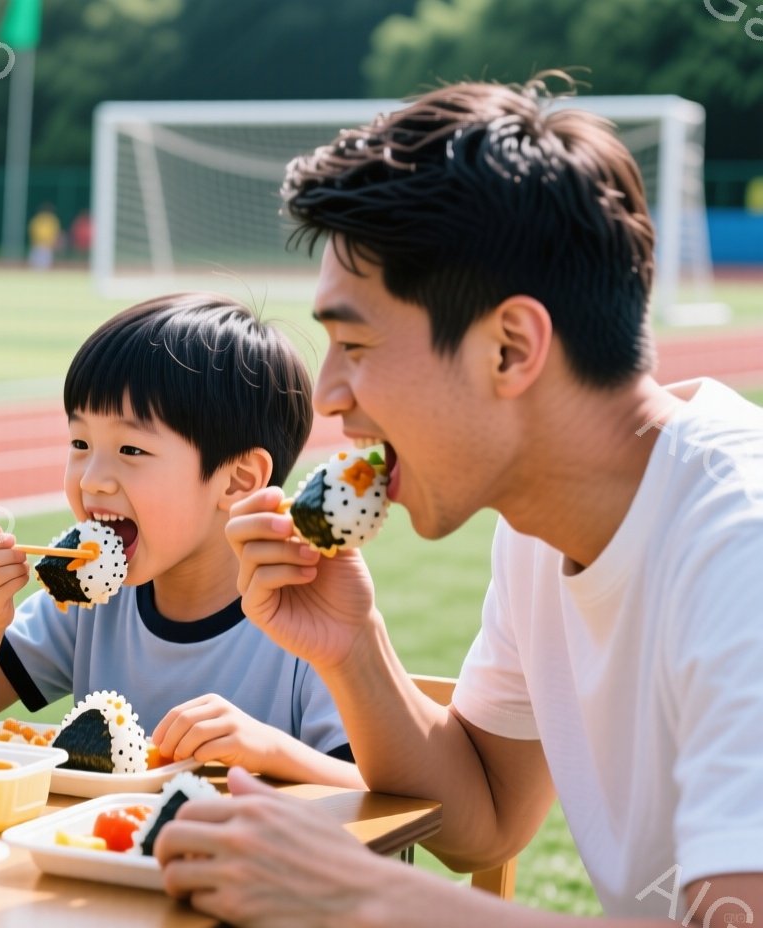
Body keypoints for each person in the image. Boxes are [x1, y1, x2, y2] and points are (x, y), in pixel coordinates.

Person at [167, 76, 763, 926]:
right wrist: (353, 649)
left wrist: (360, 894)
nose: (328, 394)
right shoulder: (539, 524)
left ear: (510, 349)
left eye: (355, 344)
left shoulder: (741, 543)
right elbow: (486, 819)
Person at [0, 295, 362, 788]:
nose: (91, 479)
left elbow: (370, 791)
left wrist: (270, 750)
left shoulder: (307, 620)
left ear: (238, 480)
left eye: (130, 449)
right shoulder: (91, 598)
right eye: (80, 443)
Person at [28, 203, 61, 271]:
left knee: (38, 266)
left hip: (45, 246)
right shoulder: (50, 219)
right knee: (39, 266)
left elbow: (55, 233)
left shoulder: (40, 219)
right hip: (41, 245)